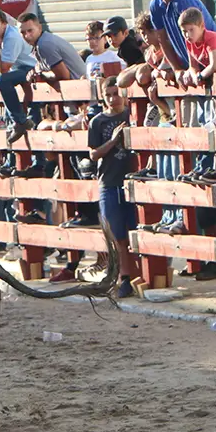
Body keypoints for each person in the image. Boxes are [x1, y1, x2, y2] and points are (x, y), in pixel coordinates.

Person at [87, 77, 139, 299]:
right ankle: (123, 277)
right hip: (110, 180)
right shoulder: (97, 122)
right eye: (107, 94)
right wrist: (113, 140)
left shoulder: (132, 114)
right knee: (117, 235)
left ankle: (139, 275)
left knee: (136, 230)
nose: (112, 98)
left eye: (115, 93)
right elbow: (93, 153)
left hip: (133, 179)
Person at [0, 8, 39, 143]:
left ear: (4, 23)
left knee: (3, 80)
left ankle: (20, 121)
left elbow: (3, 69)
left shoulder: (11, 37)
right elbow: (0, 66)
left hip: (32, 68)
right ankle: (14, 120)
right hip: (20, 68)